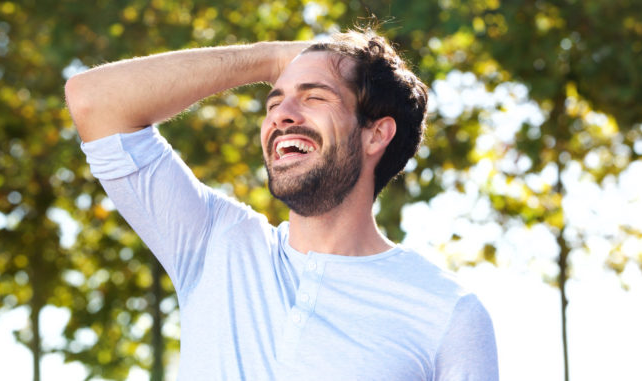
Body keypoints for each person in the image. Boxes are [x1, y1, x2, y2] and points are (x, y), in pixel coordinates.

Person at [65, 27, 498, 381]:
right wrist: (270, 59)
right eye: (274, 101)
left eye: (314, 97)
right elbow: (94, 100)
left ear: (376, 134)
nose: (281, 114)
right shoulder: (216, 244)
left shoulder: (447, 313)